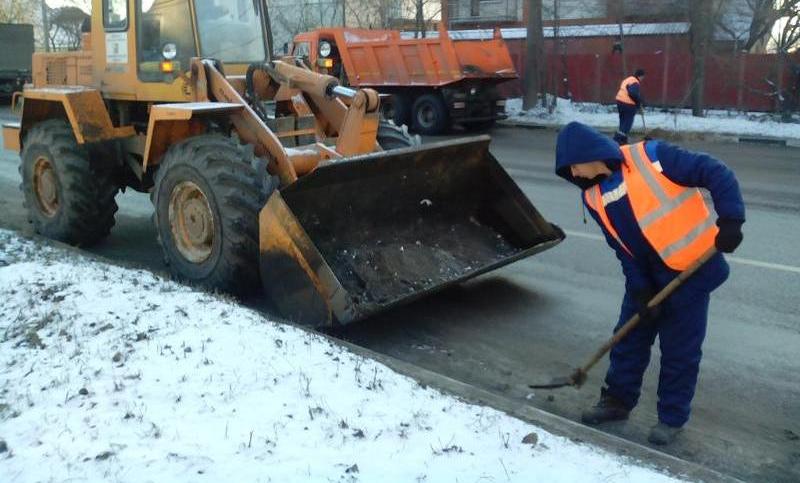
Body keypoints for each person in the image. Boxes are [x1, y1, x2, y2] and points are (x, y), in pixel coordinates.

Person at [554, 122, 745, 445]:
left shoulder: (653, 156)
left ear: (589, 155)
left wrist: (731, 219)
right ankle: (617, 401)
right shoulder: (593, 198)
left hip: (690, 272)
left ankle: (671, 418)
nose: (575, 173)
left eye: (574, 165)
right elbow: (621, 248)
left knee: (679, 350)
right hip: (646, 278)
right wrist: (640, 287)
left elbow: (715, 171)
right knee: (627, 338)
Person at [615, 69, 645, 144]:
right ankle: (619, 140)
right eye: (643, 77)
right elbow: (632, 93)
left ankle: (622, 139)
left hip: (619, 101)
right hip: (628, 104)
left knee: (623, 121)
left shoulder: (628, 79)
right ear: (640, 76)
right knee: (628, 122)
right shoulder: (635, 82)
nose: (642, 79)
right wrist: (639, 101)